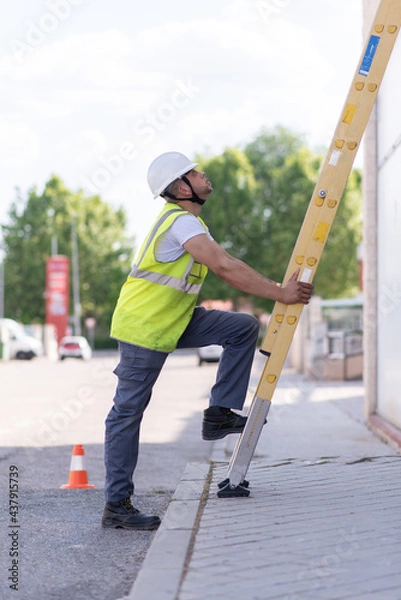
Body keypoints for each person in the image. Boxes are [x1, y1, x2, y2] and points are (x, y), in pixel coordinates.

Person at [102, 151, 314, 530]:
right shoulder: (180, 223)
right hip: (144, 326)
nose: (203, 174)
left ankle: (219, 414)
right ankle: (117, 506)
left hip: (175, 320)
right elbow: (224, 267)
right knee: (127, 413)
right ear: (182, 187)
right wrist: (281, 294)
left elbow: (226, 259)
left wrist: (279, 287)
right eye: (195, 172)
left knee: (241, 327)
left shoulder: (191, 224)